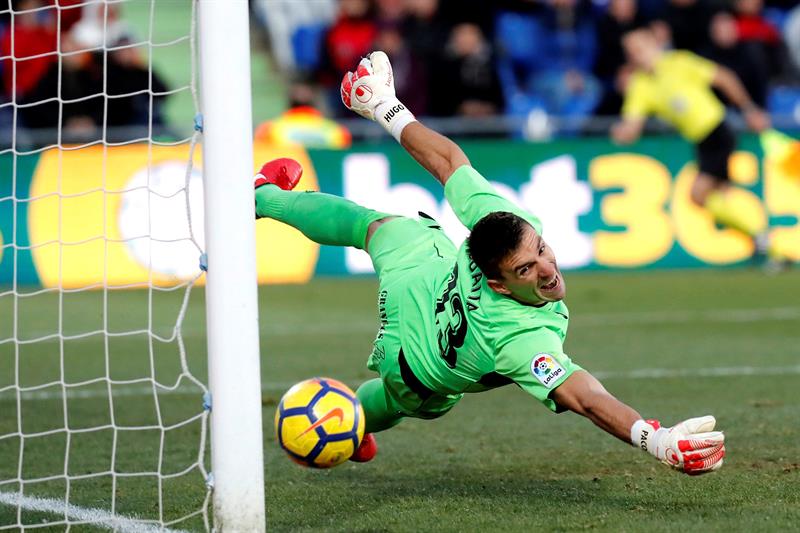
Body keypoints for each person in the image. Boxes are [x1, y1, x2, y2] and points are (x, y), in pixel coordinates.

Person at [255, 51, 726, 475]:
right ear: (499, 284)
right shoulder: (519, 338)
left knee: (377, 226)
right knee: (398, 401)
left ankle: (264, 195)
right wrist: (657, 440)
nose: (547, 269)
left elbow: (447, 160)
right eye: (526, 270)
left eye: (540, 249)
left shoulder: (504, 224)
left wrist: (383, 106)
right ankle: (353, 424)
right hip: (417, 362)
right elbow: (584, 397)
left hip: (424, 278)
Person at [611, 27, 777, 260]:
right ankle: (768, 248)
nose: (636, 55)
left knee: (698, 194)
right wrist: (622, 133)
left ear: (653, 44)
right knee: (718, 196)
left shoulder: (679, 62)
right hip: (701, 141)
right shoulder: (640, 84)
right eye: (630, 52)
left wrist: (749, 110)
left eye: (639, 49)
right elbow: (632, 124)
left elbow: (724, 78)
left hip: (717, 131)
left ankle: (762, 237)